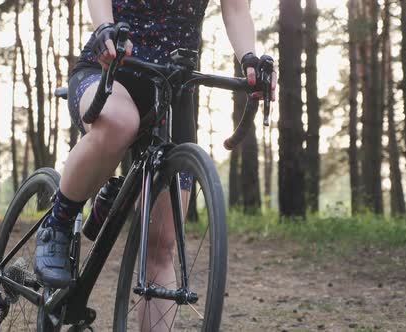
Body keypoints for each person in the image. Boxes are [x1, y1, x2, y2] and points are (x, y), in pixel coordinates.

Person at [35, 0, 275, 299]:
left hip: (173, 88)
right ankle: (58, 222)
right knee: (121, 123)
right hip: (107, 70)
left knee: (162, 243)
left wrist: (249, 59)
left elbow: (237, 10)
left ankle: (113, 193)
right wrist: (104, 29)